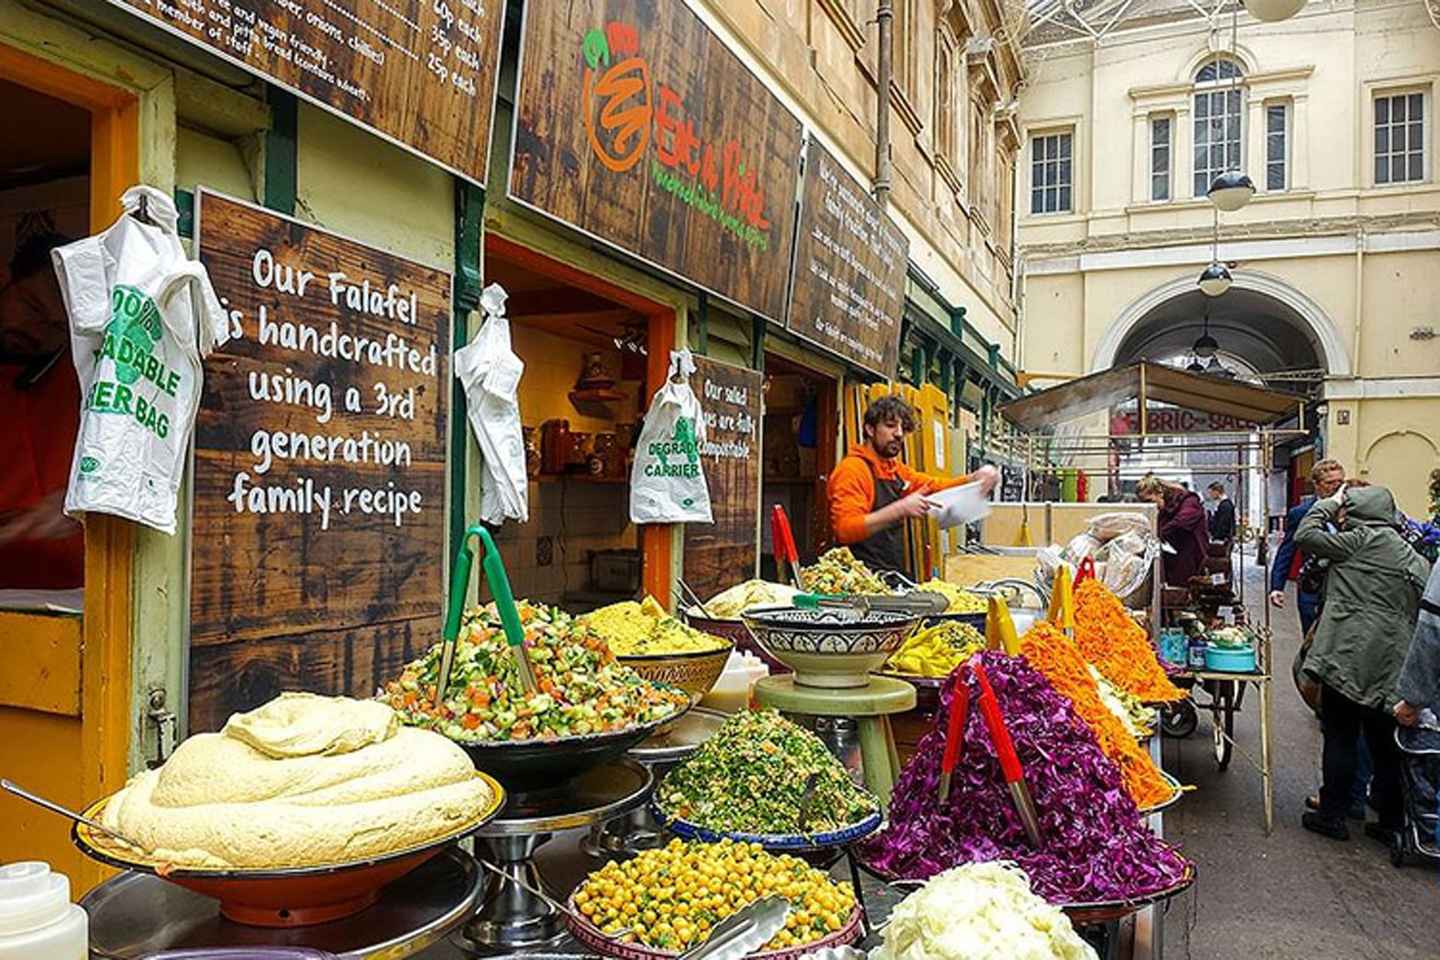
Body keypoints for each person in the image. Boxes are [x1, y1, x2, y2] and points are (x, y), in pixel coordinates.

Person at [1296, 482, 1432, 842]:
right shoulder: (1412, 556)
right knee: (1385, 744)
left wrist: (1331, 501)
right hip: (1391, 662)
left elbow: (1306, 535)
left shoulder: (1357, 542)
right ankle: (1389, 823)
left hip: (1346, 654)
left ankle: (1333, 814)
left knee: (1340, 735)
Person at [828, 395, 998, 574]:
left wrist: (974, 479)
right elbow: (845, 529)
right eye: (890, 425)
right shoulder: (852, 470)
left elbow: (933, 486)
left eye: (902, 428)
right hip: (858, 582)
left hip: (888, 576)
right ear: (870, 429)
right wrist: (900, 509)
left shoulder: (893, 469)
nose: (899, 434)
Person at [0, 232, 83, 589]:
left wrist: (80, 509)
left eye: (55, 327)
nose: (36, 331)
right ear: (6, 282)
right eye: (32, 307)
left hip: (72, 600)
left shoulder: (85, 377)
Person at [1270, 459, 1346, 636]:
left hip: (1343, 589)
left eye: (1339, 482)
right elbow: (1287, 550)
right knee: (1311, 640)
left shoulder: (1353, 509)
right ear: (1317, 485)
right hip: (1312, 588)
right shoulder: (1302, 512)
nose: (1335, 487)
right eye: (1329, 483)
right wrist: (1277, 586)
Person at [1136, 475, 1208, 587]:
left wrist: (1157, 535)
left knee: (1184, 589)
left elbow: (1180, 523)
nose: (1150, 505)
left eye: (1149, 500)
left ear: (1160, 493)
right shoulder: (1166, 507)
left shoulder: (1189, 501)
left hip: (1191, 558)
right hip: (1176, 557)